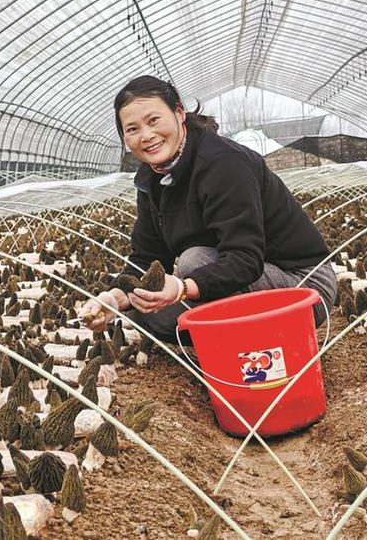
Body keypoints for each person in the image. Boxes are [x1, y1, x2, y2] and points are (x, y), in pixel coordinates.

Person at [82, 75, 336, 344]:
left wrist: (182, 287)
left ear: (179, 112)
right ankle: (242, 339)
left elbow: (245, 259)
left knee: (194, 261)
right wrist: (114, 298)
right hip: (239, 279)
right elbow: (147, 255)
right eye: (132, 129)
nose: (146, 135)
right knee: (144, 310)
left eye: (153, 120)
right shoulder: (152, 178)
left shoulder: (224, 164)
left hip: (303, 287)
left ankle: (254, 346)